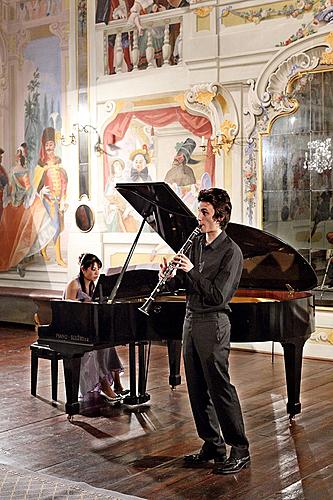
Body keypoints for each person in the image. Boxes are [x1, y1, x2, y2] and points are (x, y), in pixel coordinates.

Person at [159, 188, 250, 474]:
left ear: (220, 216)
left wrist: (191, 272)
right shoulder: (196, 243)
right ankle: (212, 443)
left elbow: (218, 297)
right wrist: (171, 276)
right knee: (197, 388)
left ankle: (240, 448)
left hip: (213, 323)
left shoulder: (231, 252)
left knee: (219, 387)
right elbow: (189, 287)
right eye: (199, 211)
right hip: (191, 319)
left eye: (205, 212)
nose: (199, 217)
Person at [64, 253, 128, 401]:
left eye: (98, 269)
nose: (96, 272)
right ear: (83, 269)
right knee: (92, 351)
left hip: (88, 328)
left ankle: (117, 384)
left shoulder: (94, 285)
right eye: (93, 269)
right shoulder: (74, 284)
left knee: (108, 345)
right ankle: (105, 387)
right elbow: (68, 309)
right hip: (73, 329)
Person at [33, 126, 68, 266]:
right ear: (44, 146)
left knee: (55, 226)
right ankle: (58, 258)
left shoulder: (59, 163)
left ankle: (43, 249)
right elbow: (36, 185)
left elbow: (64, 182)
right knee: (55, 226)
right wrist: (42, 192)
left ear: (54, 145)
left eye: (51, 144)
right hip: (48, 201)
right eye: (47, 145)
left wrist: (64, 198)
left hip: (59, 201)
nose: (49, 147)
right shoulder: (41, 165)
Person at [0, 147, 9, 222]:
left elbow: (6, 182)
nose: (1, 158)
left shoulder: (1, 168)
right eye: (0, 157)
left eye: (1, 157)